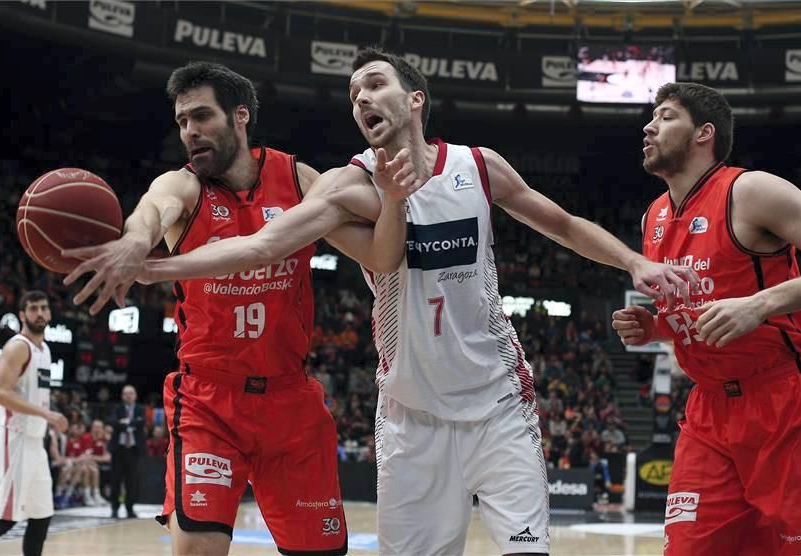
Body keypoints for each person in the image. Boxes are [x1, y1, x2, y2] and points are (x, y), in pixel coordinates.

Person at [70, 47, 696, 555]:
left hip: (498, 406)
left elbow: (561, 223)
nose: (361, 98)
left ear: (415, 99)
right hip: (410, 418)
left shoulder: (478, 167)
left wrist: (635, 260)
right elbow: (264, 246)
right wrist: (151, 264)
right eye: (352, 95)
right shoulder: (345, 183)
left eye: (373, 84)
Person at [61, 61, 401, 555]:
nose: (190, 131)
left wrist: (393, 200)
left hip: (290, 404)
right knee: (197, 549)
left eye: (201, 116)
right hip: (209, 402)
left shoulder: (299, 178)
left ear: (240, 116)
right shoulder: (185, 186)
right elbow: (154, 210)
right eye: (181, 121)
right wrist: (137, 240)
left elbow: (378, 255)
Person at [612, 82, 801, 555]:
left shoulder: (749, 189)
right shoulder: (653, 217)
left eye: (667, 116)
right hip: (709, 411)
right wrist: (656, 327)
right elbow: (703, 308)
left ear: (704, 133)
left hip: (784, 401)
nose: (649, 126)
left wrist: (761, 303)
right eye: (652, 117)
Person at [0, 291, 69, 556]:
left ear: (50, 313)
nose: (39, 313)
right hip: (13, 438)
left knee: (41, 516)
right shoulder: (18, 346)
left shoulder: (46, 349)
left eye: (43, 308)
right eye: (33, 309)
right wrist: (47, 415)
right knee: (4, 518)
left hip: (35, 443)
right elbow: (0, 394)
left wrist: (47, 418)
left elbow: (33, 395)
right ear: (22, 315)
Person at [108, 385, 144, 518]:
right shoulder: (117, 408)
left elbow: (141, 423)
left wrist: (124, 423)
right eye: (125, 394)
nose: (128, 396)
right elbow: (113, 422)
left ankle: (130, 508)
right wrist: (130, 424)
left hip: (133, 450)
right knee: (115, 480)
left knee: (131, 481)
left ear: (135, 396)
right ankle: (114, 508)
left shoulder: (140, 409)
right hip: (118, 450)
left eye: (131, 393)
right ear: (122, 396)